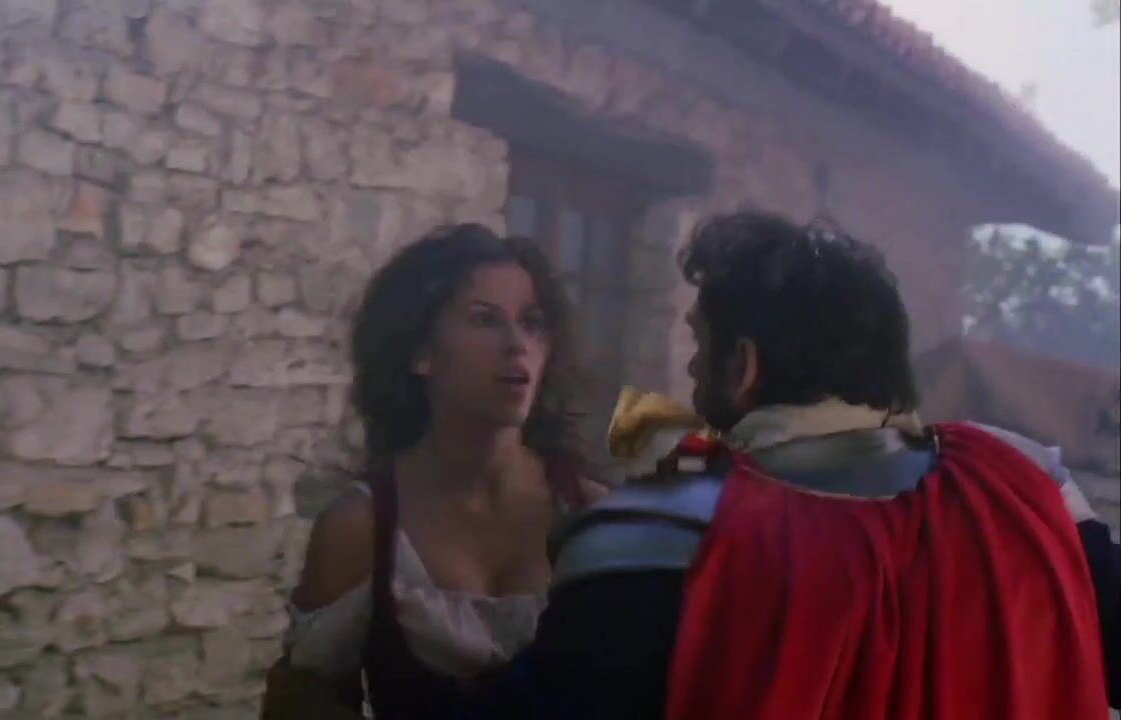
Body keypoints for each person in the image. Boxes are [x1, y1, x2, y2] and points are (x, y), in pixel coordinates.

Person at [457, 211, 1119, 719]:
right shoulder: (1023, 487)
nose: (692, 366)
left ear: (744, 367)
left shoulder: (660, 537)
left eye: (701, 342)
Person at [259, 224, 604, 719]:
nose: (517, 344)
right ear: (420, 351)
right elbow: (301, 699)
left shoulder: (593, 516)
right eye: (484, 319)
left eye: (532, 323)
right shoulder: (362, 529)